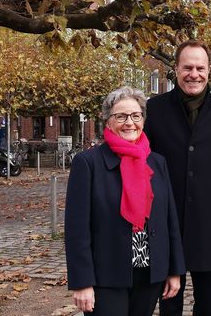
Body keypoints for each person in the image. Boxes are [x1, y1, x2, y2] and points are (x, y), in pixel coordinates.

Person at [65, 86, 185, 316]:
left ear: (143, 120)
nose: (129, 122)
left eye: (136, 116)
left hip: (150, 273)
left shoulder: (156, 162)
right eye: (121, 116)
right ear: (108, 122)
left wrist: (174, 270)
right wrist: (82, 282)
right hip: (107, 275)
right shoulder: (88, 163)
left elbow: (170, 220)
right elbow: (77, 229)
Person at [145, 40, 211, 316]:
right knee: (169, 301)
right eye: (187, 67)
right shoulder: (154, 109)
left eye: (200, 68)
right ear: (176, 70)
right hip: (166, 216)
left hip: (210, 217)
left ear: (209, 70)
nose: (194, 74)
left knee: (208, 303)